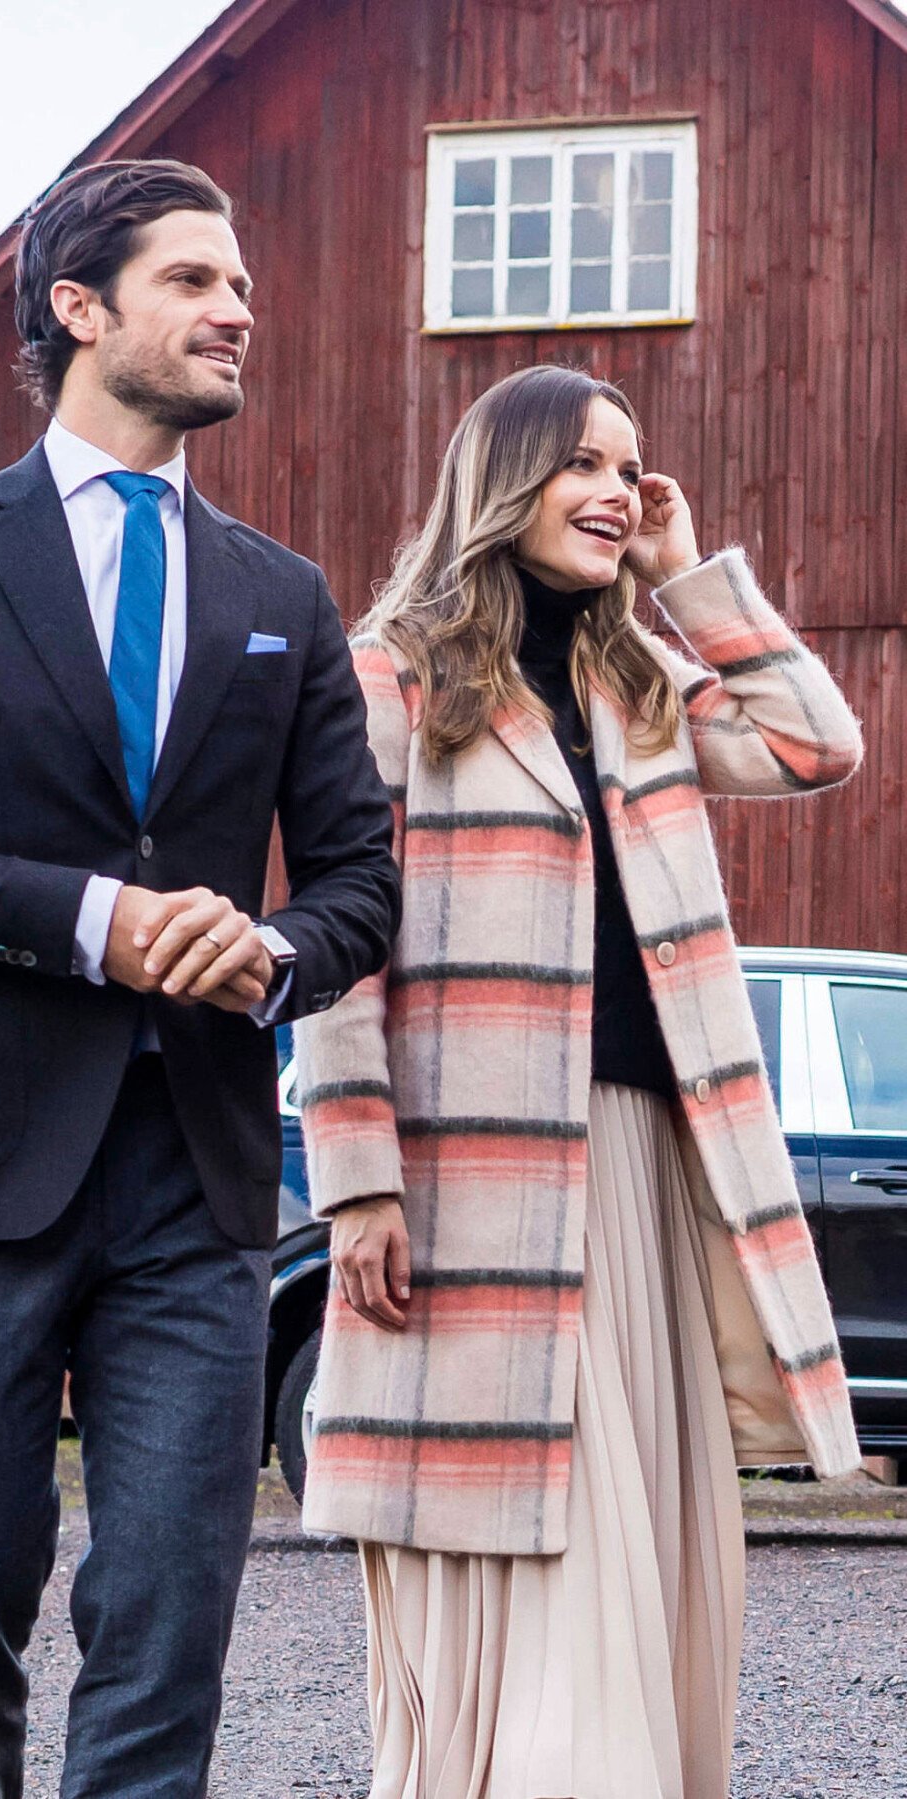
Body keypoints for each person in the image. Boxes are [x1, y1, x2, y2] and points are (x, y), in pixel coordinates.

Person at [0, 158, 399, 1799]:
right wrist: (92, 921)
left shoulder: (284, 596)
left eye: (241, 285)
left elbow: (359, 880)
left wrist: (273, 951)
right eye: (196, 281)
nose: (237, 310)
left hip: (196, 1182)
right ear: (79, 309)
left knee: (168, 1614)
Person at [295, 364, 863, 1799]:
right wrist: (356, 1180)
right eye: (587, 467)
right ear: (507, 478)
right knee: (512, 1539)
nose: (618, 490)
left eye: (633, 467)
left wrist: (690, 578)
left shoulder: (639, 680)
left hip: (645, 1173)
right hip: (472, 1183)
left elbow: (815, 743)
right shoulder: (389, 674)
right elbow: (336, 948)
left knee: (645, 1545)